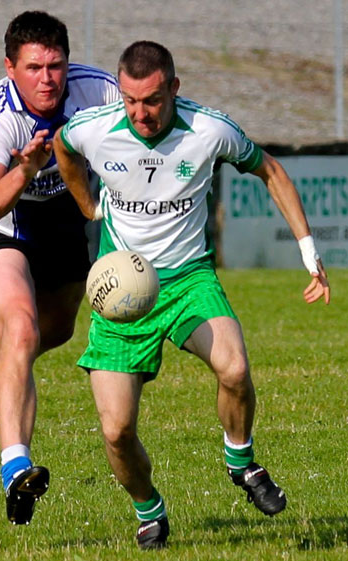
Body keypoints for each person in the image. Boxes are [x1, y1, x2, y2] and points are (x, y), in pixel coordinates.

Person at [53, 40, 330, 549]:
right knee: (116, 431)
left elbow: (270, 169)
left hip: (188, 279)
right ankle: (149, 510)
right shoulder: (96, 128)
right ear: (121, 92)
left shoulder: (210, 131)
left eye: (154, 100)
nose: (142, 113)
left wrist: (309, 251)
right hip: (120, 289)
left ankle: (241, 462)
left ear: (174, 89)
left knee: (235, 368)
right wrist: (87, 203)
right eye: (132, 100)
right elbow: (63, 147)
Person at [0, 10, 120, 526]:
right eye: (33, 67)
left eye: (55, 66)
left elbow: (145, 123)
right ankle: (15, 467)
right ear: (10, 67)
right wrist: (25, 168)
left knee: (56, 329)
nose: (46, 79)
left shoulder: (97, 91)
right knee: (21, 327)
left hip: (61, 222)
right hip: (0, 227)